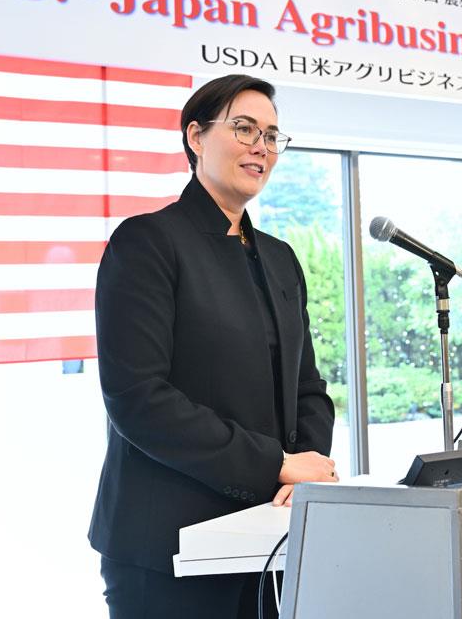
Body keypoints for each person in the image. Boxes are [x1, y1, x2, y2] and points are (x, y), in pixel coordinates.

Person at [89, 74, 338, 618]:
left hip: (269, 536)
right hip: (169, 545)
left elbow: (309, 388)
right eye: (245, 128)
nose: (261, 147)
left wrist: (308, 470)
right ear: (195, 137)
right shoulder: (146, 242)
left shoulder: (279, 257)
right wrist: (277, 464)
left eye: (272, 136)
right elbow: (139, 399)